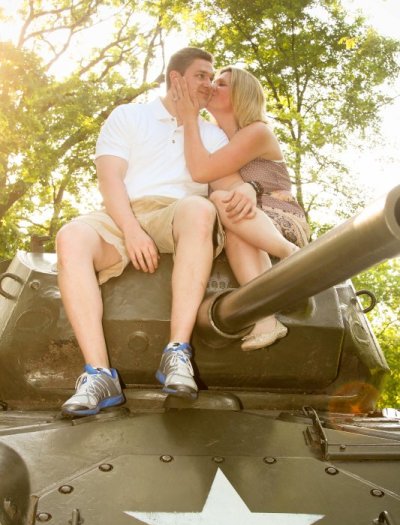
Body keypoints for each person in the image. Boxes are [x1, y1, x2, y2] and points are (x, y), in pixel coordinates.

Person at [56, 47, 296, 416]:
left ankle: (177, 352)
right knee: (70, 235)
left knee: (201, 207)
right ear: (176, 78)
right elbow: (110, 179)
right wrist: (132, 230)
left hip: (178, 215)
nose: (209, 85)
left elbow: (225, 182)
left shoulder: (212, 136)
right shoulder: (129, 116)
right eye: (202, 76)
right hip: (124, 214)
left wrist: (246, 188)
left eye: (214, 78)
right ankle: (100, 374)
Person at [172, 66, 310, 350]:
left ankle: (292, 256)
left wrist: (189, 118)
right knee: (230, 219)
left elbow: (201, 171)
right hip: (240, 221)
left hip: (280, 215)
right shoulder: (213, 138)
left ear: (241, 96)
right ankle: (266, 318)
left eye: (221, 84)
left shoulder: (256, 131)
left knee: (223, 201)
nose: (212, 86)